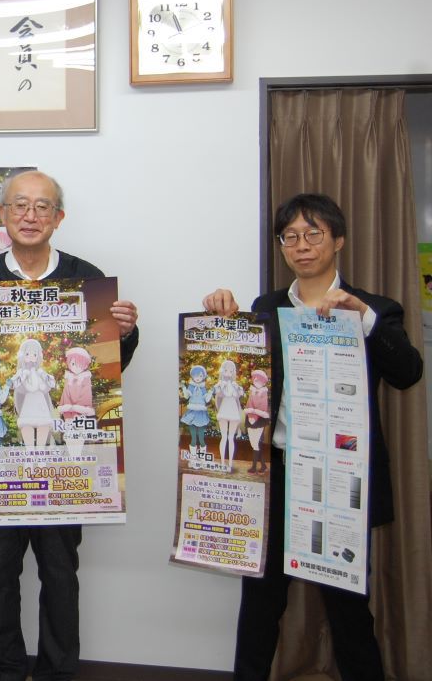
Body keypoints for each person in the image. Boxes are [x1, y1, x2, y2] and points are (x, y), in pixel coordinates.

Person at [0, 170, 139, 681]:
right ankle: (3, 670)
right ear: (2, 215)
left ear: (58, 218)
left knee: (61, 573)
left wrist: (126, 333)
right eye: (19, 205)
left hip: (65, 466)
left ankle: (58, 671)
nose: (30, 215)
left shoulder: (86, 279)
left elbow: (106, 371)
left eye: (42, 207)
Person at [202, 192, 423, 681]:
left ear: (338, 240)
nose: (301, 246)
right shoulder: (266, 307)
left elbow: (408, 372)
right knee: (260, 605)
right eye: (290, 237)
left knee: (348, 608)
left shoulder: (375, 309)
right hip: (276, 472)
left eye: (313, 234)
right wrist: (223, 320)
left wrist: (362, 317)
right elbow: (238, 376)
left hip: (340, 476)